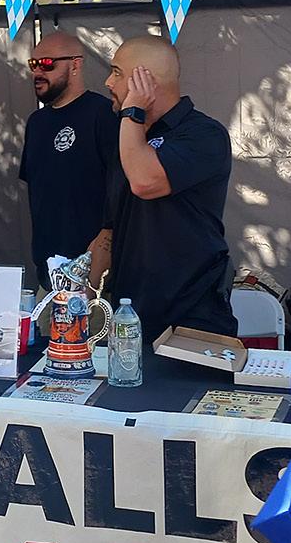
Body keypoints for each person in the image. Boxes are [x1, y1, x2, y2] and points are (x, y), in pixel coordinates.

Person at [88, 35, 237, 338]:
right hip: (130, 316)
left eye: (116, 73)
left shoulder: (204, 134)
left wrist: (132, 112)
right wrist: (84, 293)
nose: (107, 82)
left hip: (192, 319)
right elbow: (110, 228)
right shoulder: (129, 138)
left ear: (147, 82)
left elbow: (144, 182)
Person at [19, 31, 119, 288]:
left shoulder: (103, 115)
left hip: (93, 273)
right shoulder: (36, 123)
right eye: (33, 64)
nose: (38, 72)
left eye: (47, 64)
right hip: (48, 270)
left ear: (75, 64)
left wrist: (102, 255)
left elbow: (121, 191)